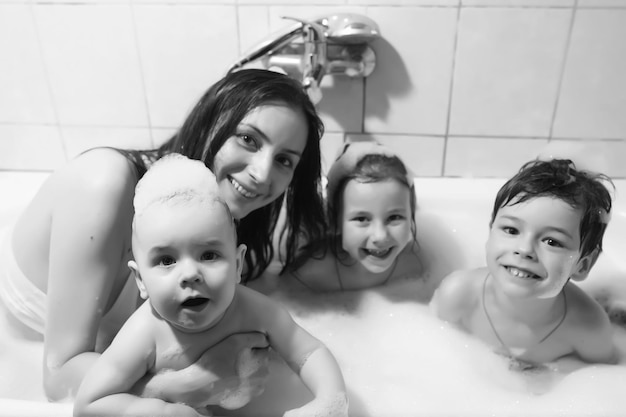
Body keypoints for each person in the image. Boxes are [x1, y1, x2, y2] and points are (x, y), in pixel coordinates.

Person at [0, 68, 327, 401]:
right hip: (19, 343)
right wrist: (193, 384)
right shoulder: (102, 185)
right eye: (248, 139)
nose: (261, 173)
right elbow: (58, 381)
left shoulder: (220, 218)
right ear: (210, 121)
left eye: (284, 160)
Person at [73, 154, 347, 417]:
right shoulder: (144, 335)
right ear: (140, 280)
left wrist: (329, 401)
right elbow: (89, 405)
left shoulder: (256, 312)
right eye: (166, 260)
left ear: (238, 265)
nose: (190, 273)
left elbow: (310, 352)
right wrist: (164, 412)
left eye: (209, 255)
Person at [430, 158, 618, 367]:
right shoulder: (458, 294)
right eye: (511, 230)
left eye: (552, 241)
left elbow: (598, 380)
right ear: (490, 232)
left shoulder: (589, 328)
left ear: (582, 265)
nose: (525, 249)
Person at [284, 141, 420, 291]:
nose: (380, 236)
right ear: (336, 221)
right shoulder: (309, 275)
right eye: (362, 219)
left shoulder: (416, 266)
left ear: (411, 214)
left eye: (394, 217)